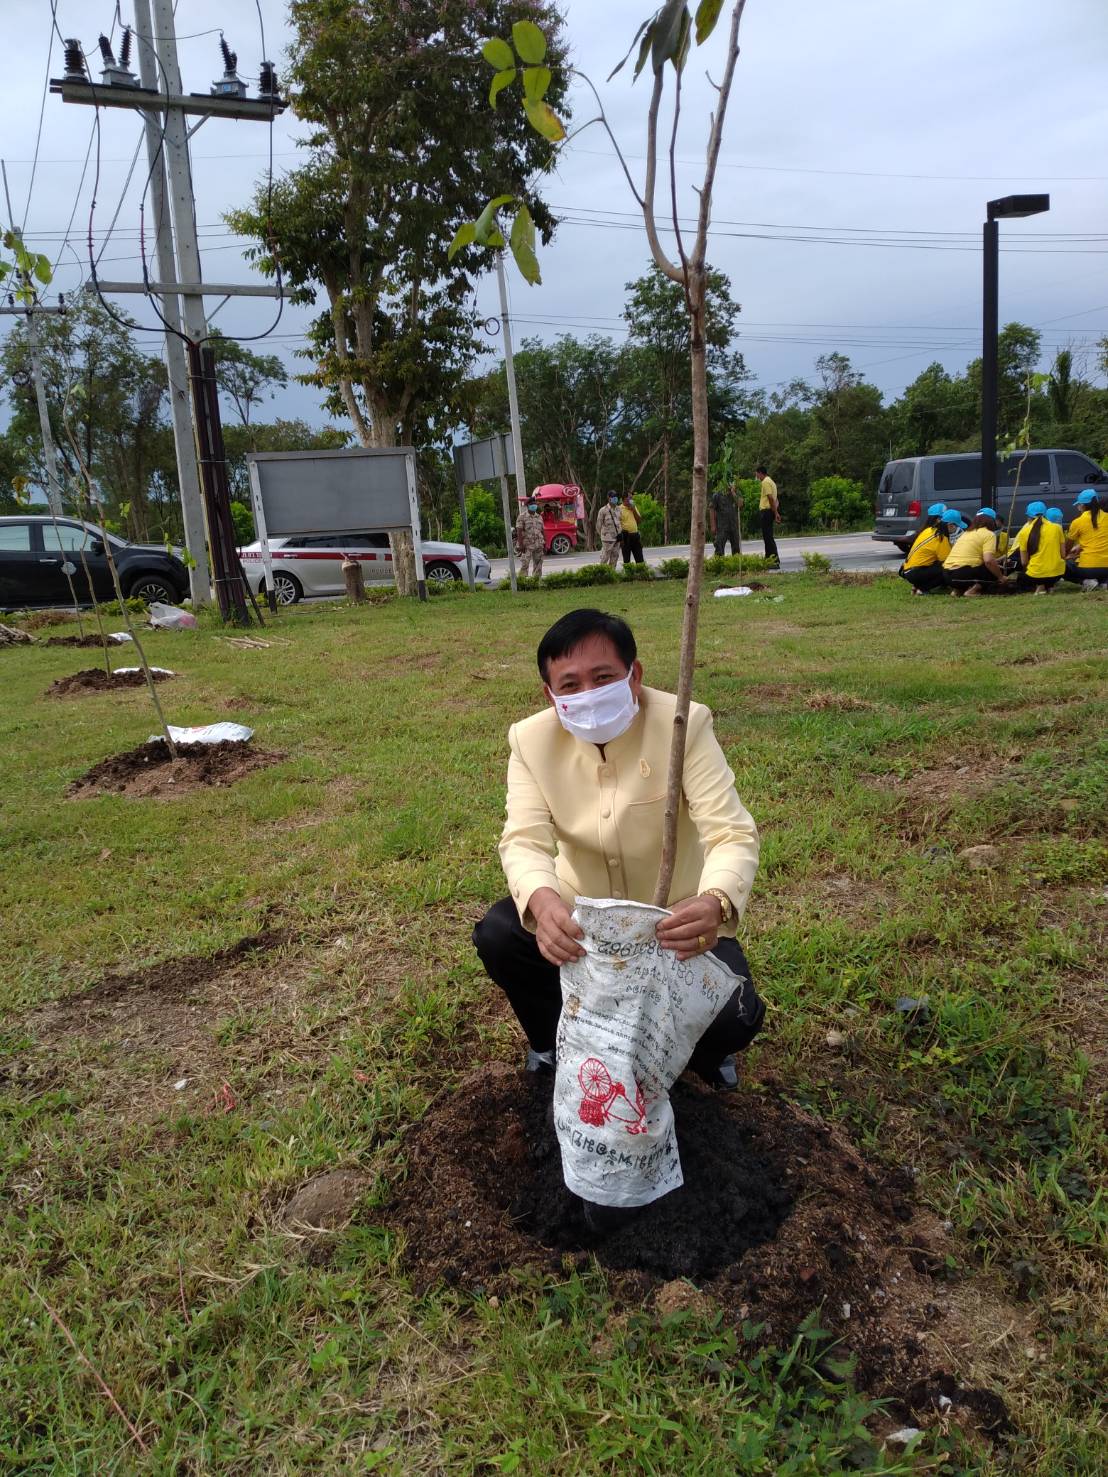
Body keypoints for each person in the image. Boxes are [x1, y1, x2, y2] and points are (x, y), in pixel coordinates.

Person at [472, 608, 764, 1096]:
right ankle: (552, 1042)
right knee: (503, 934)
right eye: (569, 684)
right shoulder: (530, 741)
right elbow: (523, 839)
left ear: (635, 675)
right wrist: (544, 906)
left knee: (735, 1016)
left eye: (603, 677)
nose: (588, 694)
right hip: (581, 921)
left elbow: (731, 832)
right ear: (550, 694)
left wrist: (714, 902)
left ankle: (705, 1055)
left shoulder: (684, 725)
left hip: (672, 925)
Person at [942, 508, 1010, 596]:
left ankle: (957, 590)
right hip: (961, 574)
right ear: (991, 521)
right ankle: (973, 590)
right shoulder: (989, 534)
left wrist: (995, 561)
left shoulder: (966, 533)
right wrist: (1001, 577)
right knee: (996, 569)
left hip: (947, 575)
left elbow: (974, 558)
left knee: (988, 567)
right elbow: (988, 561)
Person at [1013, 500, 1066, 594]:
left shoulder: (1024, 532)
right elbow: (1063, 555)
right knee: (1049, 571)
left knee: (1022, 577)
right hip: (1057, 573)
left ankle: (1040, 586)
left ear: (1028, 516)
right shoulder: (1057, 528)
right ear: (1045, 513)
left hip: (1035, 575)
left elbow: (1024, 562)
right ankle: (1049, 586)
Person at [898, 503, 953, 594]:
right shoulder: (939, 536)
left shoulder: (926, 531)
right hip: (915, 572)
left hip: (907, 571)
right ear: (939, 520)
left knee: (938, 565)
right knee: (947, 568)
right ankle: (923, 589)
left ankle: (917, 586)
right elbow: (946, 560)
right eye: (946, 518)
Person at [1062, 488, 1108, 589]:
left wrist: (1067, 556)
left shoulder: (1077, 522)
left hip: (1088, 568)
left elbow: (1067, 548)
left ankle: (1086, 581)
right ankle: (1104, 582)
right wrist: (1081, 546)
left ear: (1082, 505)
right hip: (1107, 567)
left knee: (1061, 565)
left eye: (1078, 504)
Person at [754, 465, 780, 564]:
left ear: (760, 473)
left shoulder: (765, 482)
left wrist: (775, 512)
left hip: (766, 512)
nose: (757, 477)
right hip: (770, 511)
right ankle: (768, 559)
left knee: (768, 537)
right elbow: (776, 500)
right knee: (767, 536)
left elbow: (770, 498)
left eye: (757, 475)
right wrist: (776, 512)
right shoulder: (771, 482)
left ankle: (774, 559)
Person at [514, 497, 546, 579]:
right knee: (525, 564)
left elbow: (542, 531)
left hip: (539, 544)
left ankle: (536, 581)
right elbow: (519, 531)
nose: (534, 505)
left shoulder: (539, 517)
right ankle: (522, 582)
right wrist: (520, 545)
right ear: (527, 506)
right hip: (527, 545)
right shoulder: (522, 516)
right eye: (532, 504)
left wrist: (544, 543)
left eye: (535, 504)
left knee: (538, 564)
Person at [710, 483, 742, 557]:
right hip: (722, 526)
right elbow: (712, 509)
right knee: (719, 547)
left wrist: (733, 493)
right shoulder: (717, 494)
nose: (730, 484)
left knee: (736, 548)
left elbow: (740, 505)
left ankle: (735, 564)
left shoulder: (736, 493)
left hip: (734, 525)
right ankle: (719, 564)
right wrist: (713, 525)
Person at [596, 492, 623, 567]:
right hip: (607, 539)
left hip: (617, 538)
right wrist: (603, 536)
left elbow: (620, 522)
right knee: (605, 557)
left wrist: (621, 533)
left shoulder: (619, 509)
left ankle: (611, 574)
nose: (615, 499)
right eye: (613, 497)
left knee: (615, 556)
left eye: (616, 497)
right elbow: (598, 525)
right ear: (609, 498)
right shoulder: (603, 510)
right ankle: (602, 573)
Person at [619, 492, 645, 565]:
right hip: (626, 536)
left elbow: (639, 520)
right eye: (630, 498)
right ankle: (629, 574)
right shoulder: (619, 509)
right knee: (627, 560)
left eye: (631, 498)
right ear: (624, 499)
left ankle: (641, 573)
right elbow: (617, 525)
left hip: (635, 535)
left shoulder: (633, 507)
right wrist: (620, 539)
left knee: (640, 558)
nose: (631, 499)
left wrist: (633, 510)